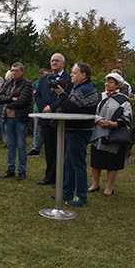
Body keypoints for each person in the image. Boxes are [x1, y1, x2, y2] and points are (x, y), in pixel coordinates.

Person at [54, 62, 99, 207]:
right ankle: (67, 192)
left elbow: (67, 107)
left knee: (78, 165)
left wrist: (61, 93)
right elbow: (71, 105)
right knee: (69, 163)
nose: (71, 76)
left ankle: (81, 196)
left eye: (74, 73)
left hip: (79, 132)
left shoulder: (84, 90)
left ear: (83, 75)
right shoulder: (80, 88)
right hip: (74, 131)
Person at [89, 73, 133, 197]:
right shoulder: (99, 96)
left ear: (117, 85)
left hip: (114, 134)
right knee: (96, 160)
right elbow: (91, 111)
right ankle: (95, 184)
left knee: (112, 161)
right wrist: (98, 119)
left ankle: (109, 187)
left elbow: (127, 116)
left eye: (111, 82)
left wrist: (114, 124)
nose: (107, 84)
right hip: (98, 133)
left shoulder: (123, 99)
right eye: (106, 81)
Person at [34, 53, 73, 185]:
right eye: (52, 61)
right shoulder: (44, 78)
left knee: (60, 148)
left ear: (63, 63)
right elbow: (37, 94)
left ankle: (61, 178)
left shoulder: (69, 78)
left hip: (59, 119)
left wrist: (52, 106)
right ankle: (49, 176)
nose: (54, 63)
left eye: (57, 61)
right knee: (49, 148)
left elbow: (67, 95)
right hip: (46, 117)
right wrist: (43, 107)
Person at [0, 62, 33, 181]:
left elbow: (22, 101)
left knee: (21, 145)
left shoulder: (27, 84)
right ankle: (10, 169)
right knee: (11, 145)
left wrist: (7, 103)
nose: (14, 73)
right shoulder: (8, 83)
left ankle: (22, 170)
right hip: (8, 118)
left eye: (16, 70)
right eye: (12, 70)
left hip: (21, 118)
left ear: (22, 71)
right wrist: (11, 98)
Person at [28, 68, 48, 157]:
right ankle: (35, 146)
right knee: (37, 129)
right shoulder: (36, 84)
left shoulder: (49, 83)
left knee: (43, 130)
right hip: (37, 109)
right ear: (41, 75)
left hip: (47, 110)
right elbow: (35, 94)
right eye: (45, 74)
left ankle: (39, 147)